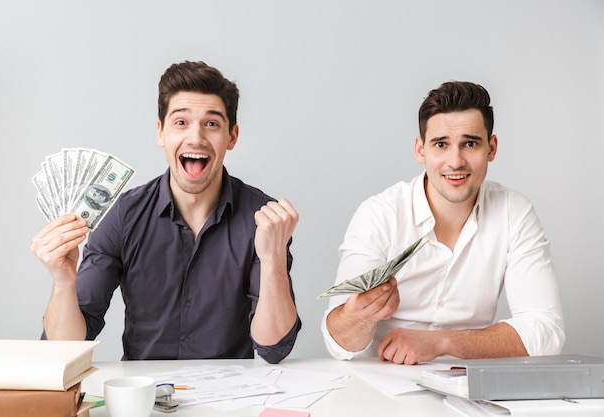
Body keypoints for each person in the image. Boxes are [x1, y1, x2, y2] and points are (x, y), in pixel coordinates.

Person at [31, 60, 301, 364]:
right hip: (145, 401)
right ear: (161, 133)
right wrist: (64, 282)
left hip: (230, 400)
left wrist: (273, 258)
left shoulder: (262, 219)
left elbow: (273, 348)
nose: (196, 138)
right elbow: (65, 349)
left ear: (232, 136)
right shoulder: (122, 217)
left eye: (211, 124)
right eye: (181, 122)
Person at [322, 81, 564, 365]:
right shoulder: (379, 214)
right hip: (382, 382)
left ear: (492, 148)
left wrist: (442, 342)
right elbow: (339, 345)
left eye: (470, 143)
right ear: (420, 149)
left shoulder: (514, 212)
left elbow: (547, 332)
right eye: (441, 144)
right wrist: (359, 313)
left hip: (468, 385)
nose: (456, 161)